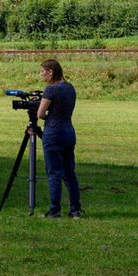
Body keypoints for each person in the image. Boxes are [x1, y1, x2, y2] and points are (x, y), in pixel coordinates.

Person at [32, 57, 81, 217]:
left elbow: (40, 113)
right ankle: (75, 210)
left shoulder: (50, 89)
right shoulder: (70, 87)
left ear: (51, 72)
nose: (41, 75)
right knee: (69, 172)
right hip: (69, 132)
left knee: (54, 172)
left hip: (54, 132)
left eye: (42, 72)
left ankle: (54, 210)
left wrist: (47, 117)